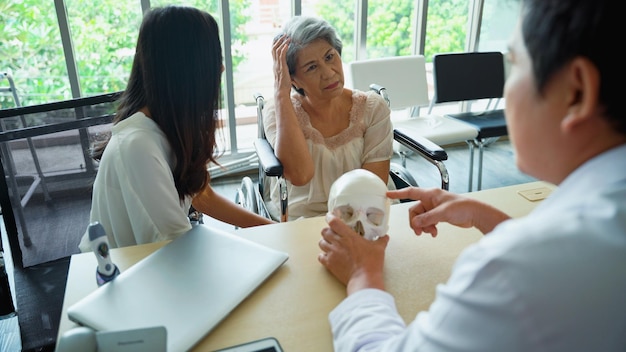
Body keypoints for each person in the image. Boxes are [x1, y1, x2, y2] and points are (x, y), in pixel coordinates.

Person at [318, 0, 626, 350]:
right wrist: (485, 215)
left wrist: (363, 277)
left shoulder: (512, 271)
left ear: (577, 92)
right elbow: (571, 272)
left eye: (514, 65)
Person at [78, 5, 273, 252]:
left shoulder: (166, 128)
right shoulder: (138, 147)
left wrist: (272, 229)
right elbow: (176, 249)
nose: (221, 68)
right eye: (214, 58)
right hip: (133, 278)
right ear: (186, 70)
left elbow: (201, 196)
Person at [264, 16, 394, 221]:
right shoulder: (278, 110)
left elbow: (373, 183)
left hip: (364, 212)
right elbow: (300, 175)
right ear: (294, 79)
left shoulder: (373, 108)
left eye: (329, 57)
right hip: (305, 218)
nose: (328, 73)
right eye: (312, 67)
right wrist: (281, 93)